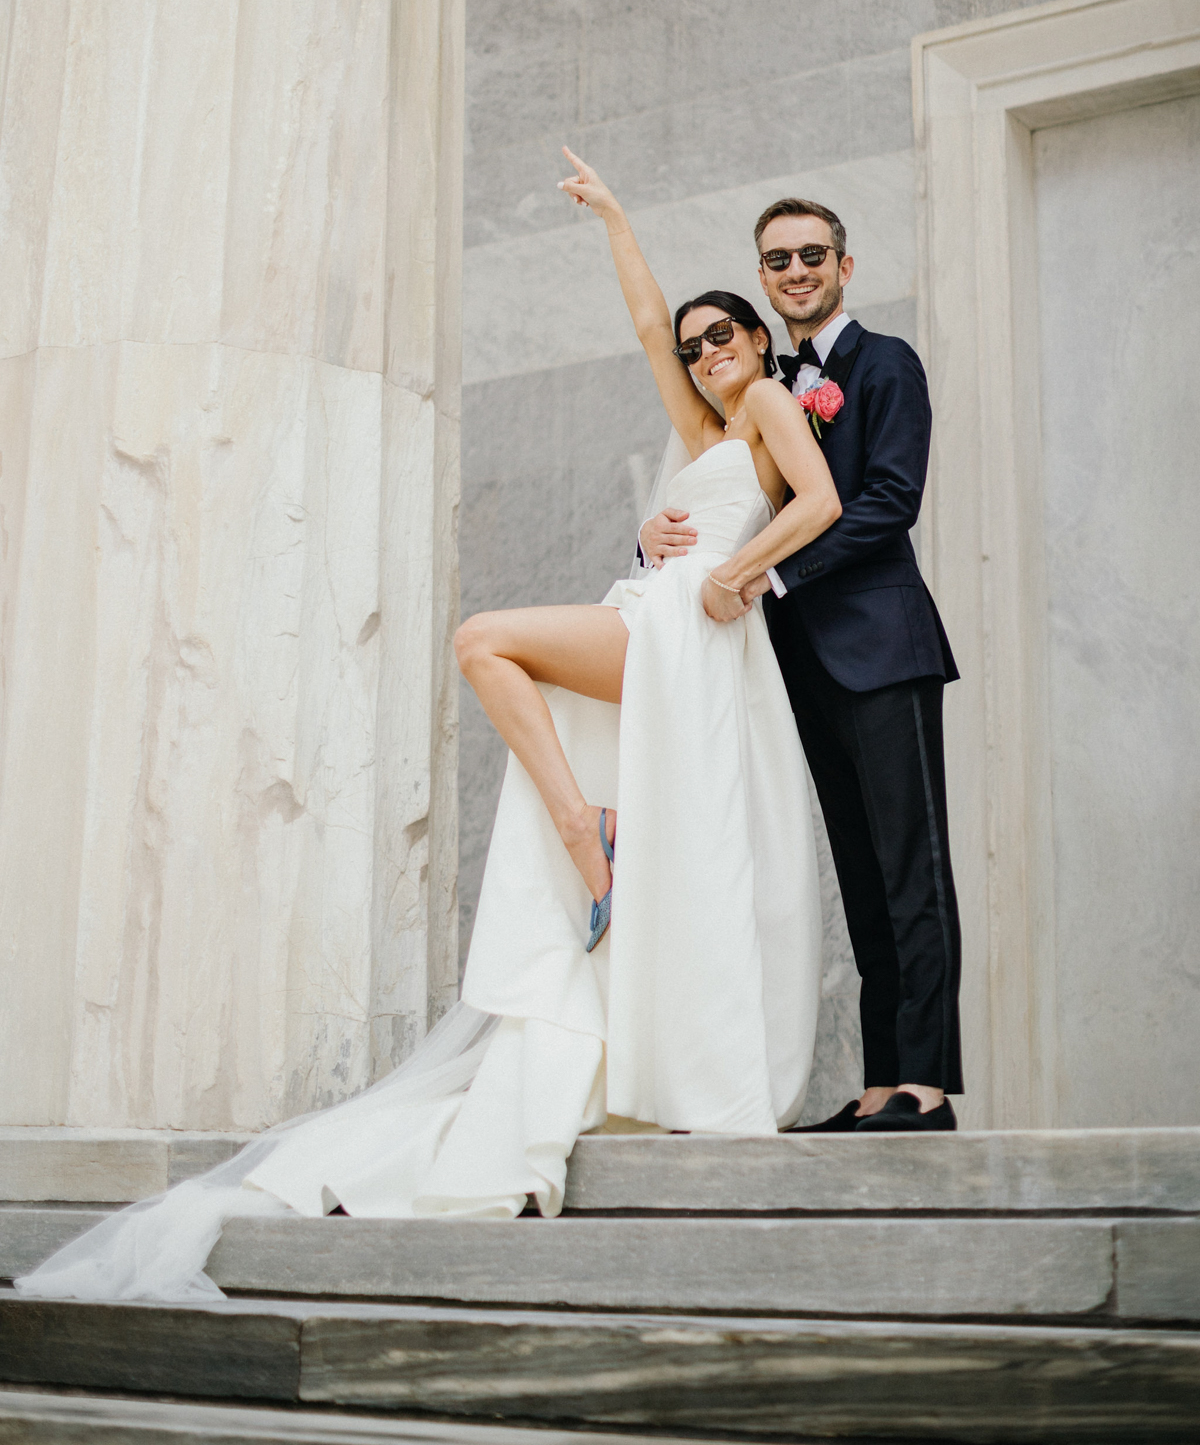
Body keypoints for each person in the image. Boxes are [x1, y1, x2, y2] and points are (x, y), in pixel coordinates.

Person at [17, 151, 838, 1305]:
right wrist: (613, 217)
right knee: (489, 646)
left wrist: (733, 570)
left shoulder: (763, 408)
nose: (708, 353)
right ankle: (584, 825)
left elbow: (822, 502)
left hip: (696, 629)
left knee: (485, 638)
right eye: (701, 344)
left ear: (759, 343)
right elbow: (646, 322)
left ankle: (588, 834)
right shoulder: (699, 417)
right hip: (657, 616)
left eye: (727, 336)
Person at [640, 197, 962, 1133]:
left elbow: (890, 502)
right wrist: (662, 530)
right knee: (859, 878)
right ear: (763, 279)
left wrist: (769, 573)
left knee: (914, 868)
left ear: (845, 265)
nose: (795, 271)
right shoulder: (759, 386)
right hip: (796, 665)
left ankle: (928, 1088)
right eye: (776, 259)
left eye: (811, 254)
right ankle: (877, 1086)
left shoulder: (886, 363)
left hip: (882, 645)